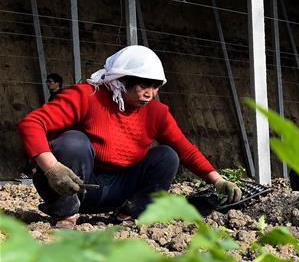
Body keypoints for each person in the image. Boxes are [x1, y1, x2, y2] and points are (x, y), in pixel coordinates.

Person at [18, 45, 241, 228]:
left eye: (155, 87)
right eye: (144, 85)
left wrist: (218, 180)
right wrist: (52, 167)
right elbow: (32, 123)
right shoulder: (87, 96)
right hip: (74, 186)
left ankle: (129, 213)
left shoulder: (155, 112)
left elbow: (185, 149)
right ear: (121, 80)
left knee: (167, 156)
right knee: (73, 141)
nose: (150, 94)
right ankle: (66, 215)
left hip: (118, 189)